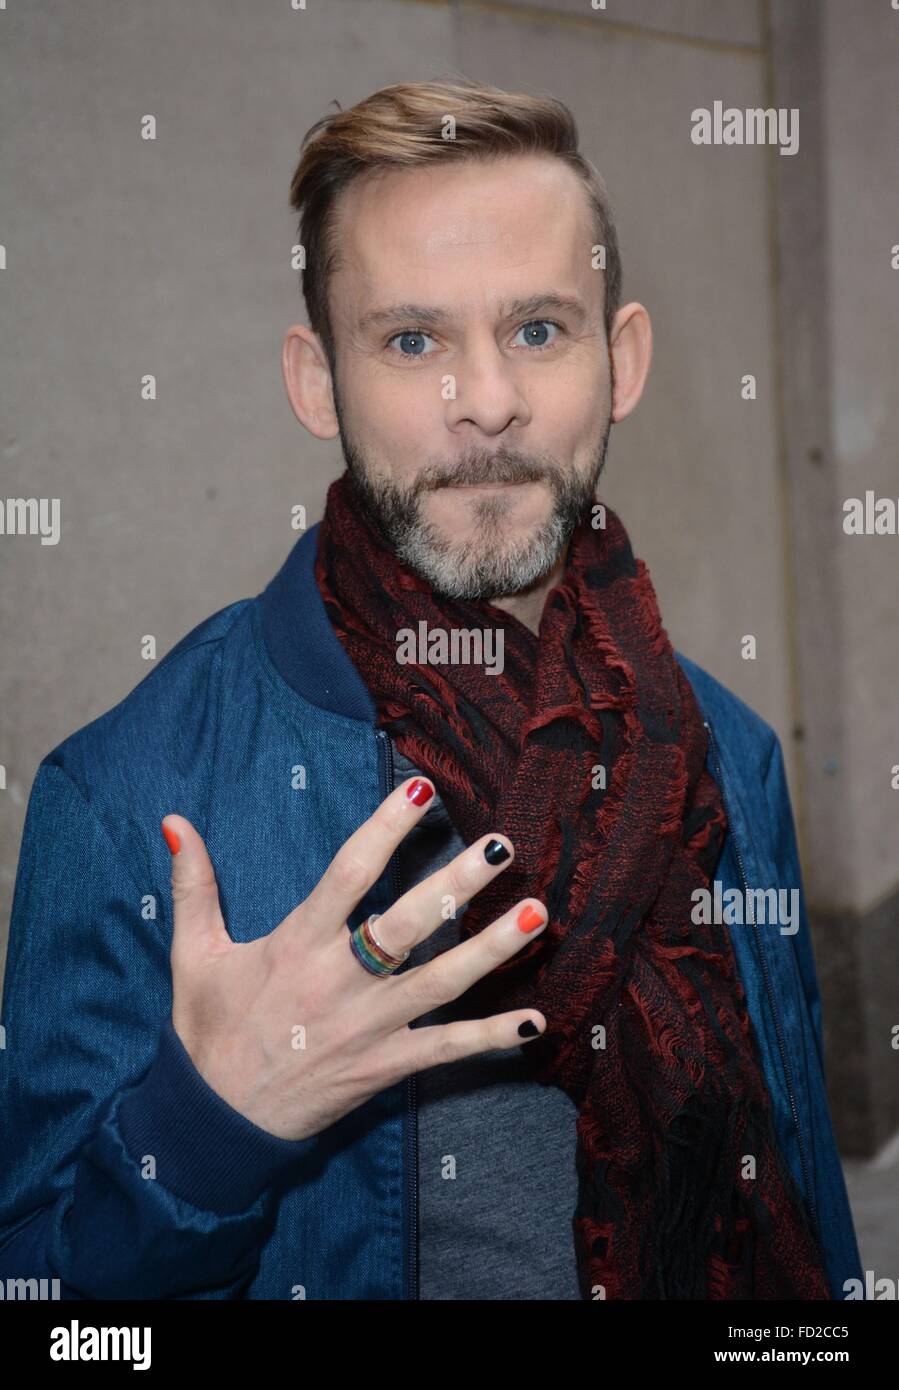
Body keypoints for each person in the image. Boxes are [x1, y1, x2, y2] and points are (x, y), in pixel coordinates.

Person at [0, 78, 863, 1301]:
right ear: (316, 383)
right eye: (412, 340)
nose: (488, 401)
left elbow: (804, 1208)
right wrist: (208, 1130)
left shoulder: (724, 750)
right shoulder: (127, 796)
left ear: (619, 361)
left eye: (537, 330)